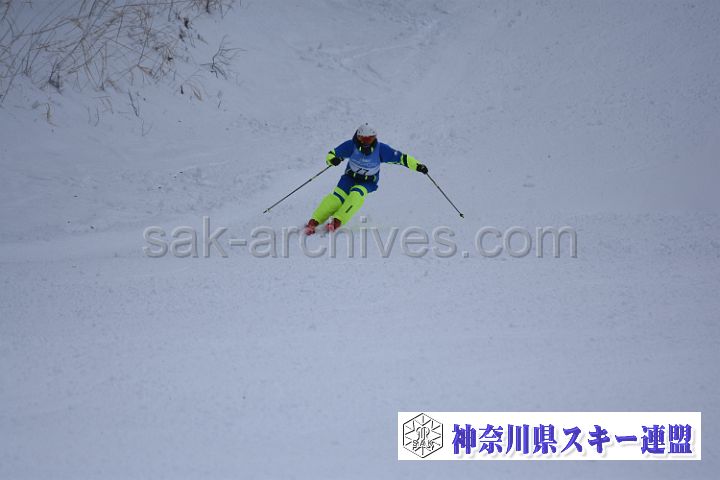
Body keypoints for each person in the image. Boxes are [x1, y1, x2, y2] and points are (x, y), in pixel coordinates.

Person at [304, 123, 429, 235]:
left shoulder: (381, 149)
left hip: (368, 182)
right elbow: (332, 154)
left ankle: (337, 221)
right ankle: (314, 222)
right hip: (349, 178)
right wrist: (333, 160)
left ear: (374, 138)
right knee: (336, 199)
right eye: (362, 138)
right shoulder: (351, 145)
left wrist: (418, 166)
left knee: (356, 195)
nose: (366, 142)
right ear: (357, 137)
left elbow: (402, 158)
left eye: (370, 139)